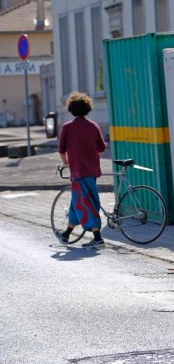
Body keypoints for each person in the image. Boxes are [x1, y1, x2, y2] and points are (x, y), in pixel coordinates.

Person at [55, 91, 108, 249]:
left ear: (71, 109)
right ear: (88, 108)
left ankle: (98, 239)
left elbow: (61, 149)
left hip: (78, 172)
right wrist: (89, 155)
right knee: (78, 202)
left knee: (85, 203)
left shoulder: (67, 127)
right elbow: (101, 148)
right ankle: (66, 235)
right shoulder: (93, 126)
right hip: (92, 171)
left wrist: (67, 163)